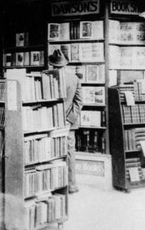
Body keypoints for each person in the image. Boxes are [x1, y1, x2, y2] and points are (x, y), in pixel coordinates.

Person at [48, 49, 83, 194]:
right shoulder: (74, 78)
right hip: (68, 121)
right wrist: (69, 120)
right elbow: (79, 102)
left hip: (50, 120)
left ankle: (55, 184)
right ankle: (70, 184)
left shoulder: (48, 77)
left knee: (51, 151)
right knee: (69, 152)